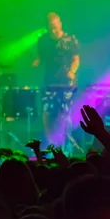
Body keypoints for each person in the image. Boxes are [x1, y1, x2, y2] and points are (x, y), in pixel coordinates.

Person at [32, 12, 80, 145]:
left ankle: (66, 142)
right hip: (49, 81)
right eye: (51, 28)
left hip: (67, 83)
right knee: (47, 112)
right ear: (47, 28)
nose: (54, 30)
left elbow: (76, 59)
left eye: (55, 26)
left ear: (60, 24)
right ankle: (51, 142)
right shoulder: (43, 40)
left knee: (65, 113)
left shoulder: (70, 39)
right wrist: (36, 61)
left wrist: (72, 71)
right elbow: (41, 57)